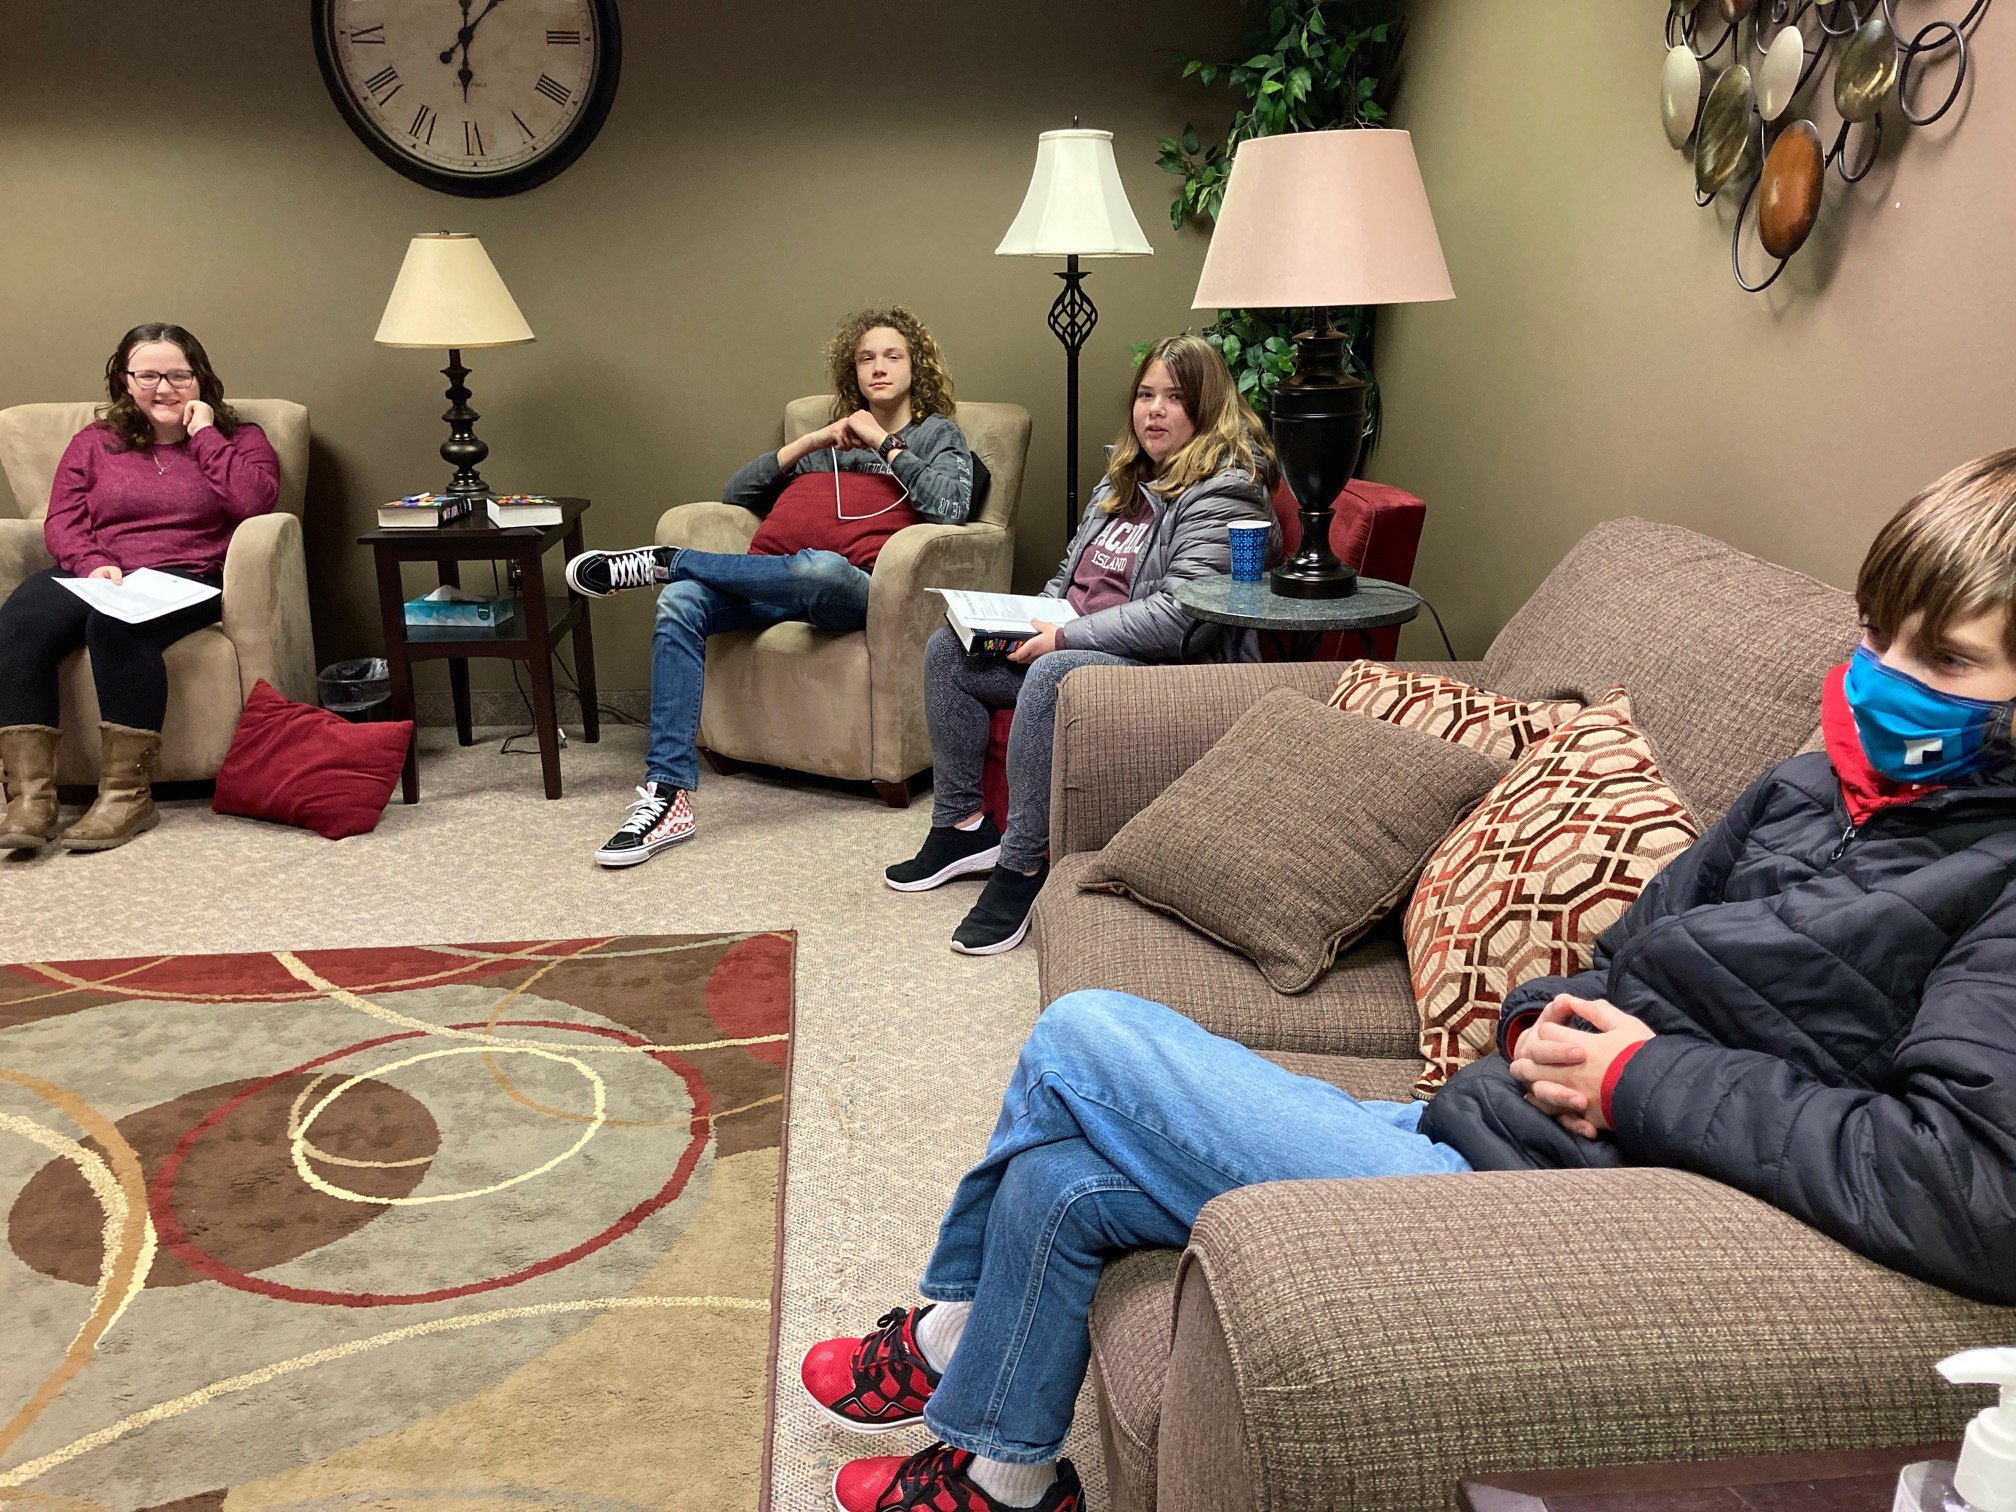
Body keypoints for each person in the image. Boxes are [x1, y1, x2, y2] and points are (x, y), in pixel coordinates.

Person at [802, 451, 2016, 1512]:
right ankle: (1003, 1476)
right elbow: (1628, 956)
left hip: (1566, 1203)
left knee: (1081, 1039)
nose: (1884, 676)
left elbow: (1972, 1186)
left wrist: (1640, 1076)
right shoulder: (1808, 791)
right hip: (1505, 1119)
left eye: (1947, 661)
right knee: (1063, 1179)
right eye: (1873, 632)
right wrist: (1556, 1023)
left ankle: (945, 1330)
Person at [883, 334, 1278, 956]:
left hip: (1160, 668)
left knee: (1055, 674)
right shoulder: (1121, 479)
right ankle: (962, 825)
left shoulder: (1223, 491)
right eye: (1145, 395)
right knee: (948, 653)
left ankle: (1023, 865)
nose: (1153, 410)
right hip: (1076, 643)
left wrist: (1060, 637)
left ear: (1207, 407)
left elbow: (1184, 617)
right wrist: (1017, 620)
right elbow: (1068, 578)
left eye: (1174, 398)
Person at [563, 307, 978, 869]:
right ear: (851, 372)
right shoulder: (828, 443)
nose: (878, 368)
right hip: (772, 582)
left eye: (892, 356)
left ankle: (672, 560)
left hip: (856, 595)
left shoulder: (937, 433)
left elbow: (952, 507)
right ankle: (668, 797)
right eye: (865, 358)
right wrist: (809, 443)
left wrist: (883, 441)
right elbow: (737, 492)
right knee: (680, 602)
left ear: (915, 366)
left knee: (822, 569)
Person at [0, 323, 280, 854]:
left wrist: (204, 436)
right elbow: (63, 519)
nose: (163, 387)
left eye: (178, 374)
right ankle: (30, 799)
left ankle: (127, 796)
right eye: (148, 374)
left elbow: (254, 504)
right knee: (20, 623)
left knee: (117, 626)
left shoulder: (241, 440)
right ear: (126, 381)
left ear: (200, 379)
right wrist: (92, 561)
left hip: (189, 573)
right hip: (99, 570)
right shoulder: (94, 443)